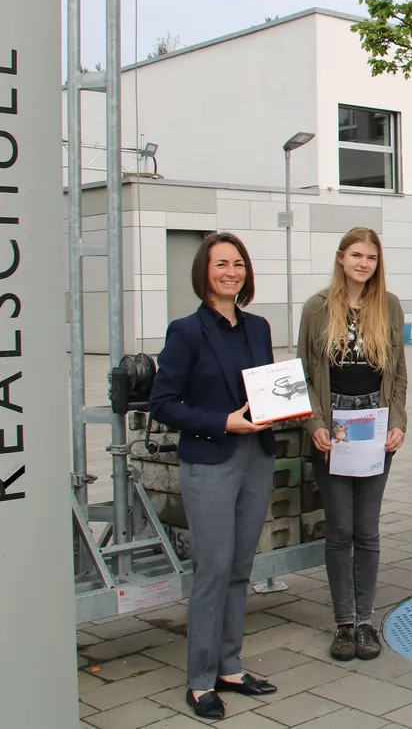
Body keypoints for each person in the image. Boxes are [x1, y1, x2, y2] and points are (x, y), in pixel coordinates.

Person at [148, 232, 280, 721]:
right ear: (204, 271)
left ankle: (229, 665)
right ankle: (200, 680)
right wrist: (222, 420)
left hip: (256, 456)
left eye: (239, 263)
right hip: (211, 459)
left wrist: (281, 408)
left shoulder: (258, 327)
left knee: (241, 567)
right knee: (213, 569)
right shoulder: (186, 331)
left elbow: (264, 387)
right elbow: (164, 403)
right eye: (222, 263)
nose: (232, 271)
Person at [298, 228, 409, 662]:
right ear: (341, 258)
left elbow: (398, 375)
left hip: (375, 425)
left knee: (367, 529)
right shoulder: (317, 308)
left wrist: (398, 422)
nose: (364, 263)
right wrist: (315, 424)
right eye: (357, 255)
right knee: (340, 529)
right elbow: (306, 375)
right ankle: (343, 623)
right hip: (334, 425)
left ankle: (366, 621)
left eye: (372, 258)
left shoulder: (390, 306)